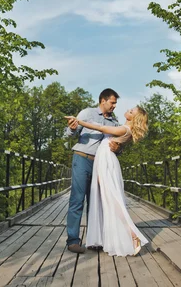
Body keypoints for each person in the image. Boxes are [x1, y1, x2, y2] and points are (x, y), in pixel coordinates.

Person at [65, 105, 149, 256]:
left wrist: (80, 122)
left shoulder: (122, 129)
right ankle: (105, 237)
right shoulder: (122, 127)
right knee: (105, 198)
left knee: (111, 199)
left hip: (105, 162)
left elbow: (100, 128)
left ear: (134, 118)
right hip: (102, 161)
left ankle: (132, 235)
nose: (127, 109)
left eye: (131, 111)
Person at [65, 88, 121, 254]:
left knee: (96, 202)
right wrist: (72, 128)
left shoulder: (114, 123)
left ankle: (94, 240)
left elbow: (117, 147)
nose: (114, 106)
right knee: (77, 199)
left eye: (115, 103)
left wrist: (118, 148)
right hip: (82, 159)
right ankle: (73, 241)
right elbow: (69, 134)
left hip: (100, 165)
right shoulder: (86, 113)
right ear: (102, 100)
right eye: (112, 102)